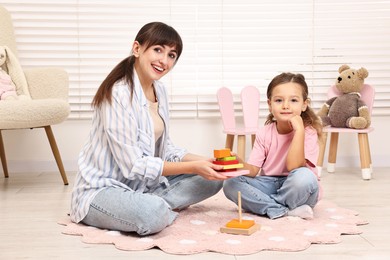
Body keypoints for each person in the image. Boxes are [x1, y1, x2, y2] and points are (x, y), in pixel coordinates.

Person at [70, 22, 227, 236]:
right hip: (102, 191)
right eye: (158, 49)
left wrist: (208, 163)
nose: (164, 60)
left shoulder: (159, 91)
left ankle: (148, 205)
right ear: (137, 49)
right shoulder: (118, 94)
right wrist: (193, 167)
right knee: (152, 213)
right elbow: (133, 165)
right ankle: (151, 208)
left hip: (144, 186)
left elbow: (167, 149)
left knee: (213, 180)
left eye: (172, 55)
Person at [223, 72, 322, 220]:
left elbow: (294, 166)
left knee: (304, 177)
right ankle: (283, 210)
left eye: (294, 100)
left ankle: (268, 205)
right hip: (269, 184)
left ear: (304, 105)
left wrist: (299, 131)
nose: (286, 106)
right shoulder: (264, 133)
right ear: (270, 105)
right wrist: (240, 164)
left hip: (298, 189)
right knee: (230, 183)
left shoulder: (308, 132)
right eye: (279, 100)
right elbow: (253, 170)